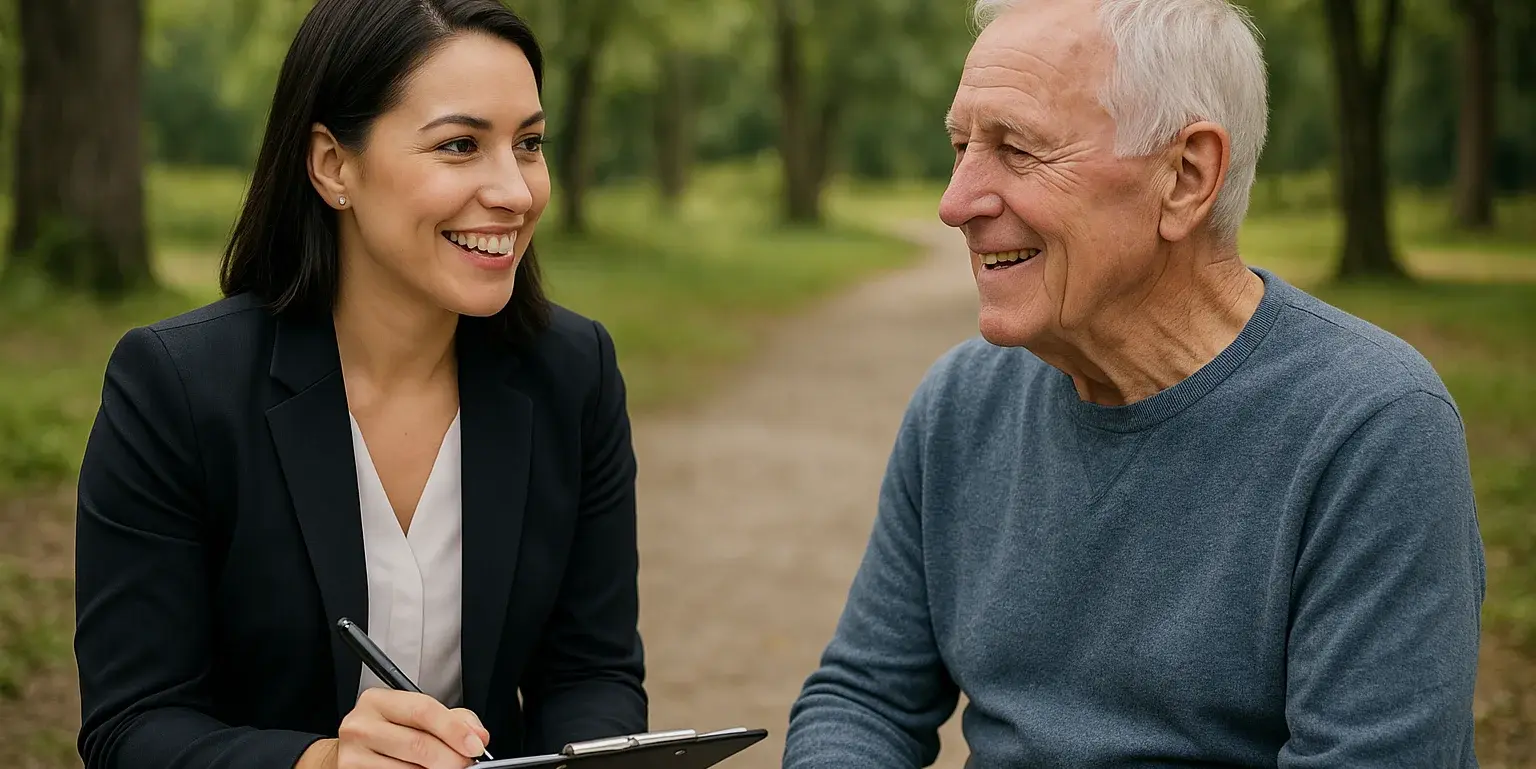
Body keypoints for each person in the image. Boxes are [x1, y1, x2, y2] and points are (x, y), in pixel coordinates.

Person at [781, 0, 1486, 766]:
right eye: (960, 146)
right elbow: (863, 699)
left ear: (1185, 177)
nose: (956, 203)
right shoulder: (961, 404)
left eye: (1018, 149)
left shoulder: (1369, 427)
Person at [72, 1, 647, 767]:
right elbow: (131, 725)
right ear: (333, 165)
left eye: (529, 143)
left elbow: (591, 671)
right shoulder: (175, 389)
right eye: (460, 144)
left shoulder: (574, 375)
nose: (514, 190)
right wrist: (322, 762)